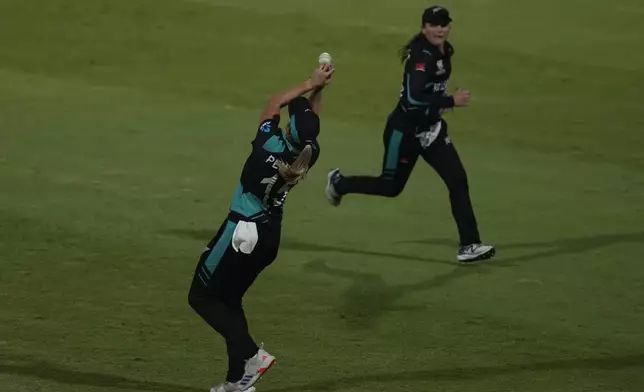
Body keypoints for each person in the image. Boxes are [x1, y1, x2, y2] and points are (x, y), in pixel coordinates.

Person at [188, 64, 334, 392]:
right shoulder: (309, 154)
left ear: (289, 127)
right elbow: (311, 125)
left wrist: (311, 82)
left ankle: (253, 356)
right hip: (269, 237)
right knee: (230, 299)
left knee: (201, 297)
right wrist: (319, 91)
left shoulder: (268, 144)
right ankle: (237, 382)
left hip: (240, 231)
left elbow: (274, 101)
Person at [324, 6, 495, 263]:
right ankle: (340, 184)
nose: (440, 29)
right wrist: (451, 100)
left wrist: (442, 104)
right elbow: (413, 98)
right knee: (391, 186)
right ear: (424, 27)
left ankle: (469, 245)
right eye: (435, 25)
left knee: (457, 180)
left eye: (444, 24)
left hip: (432, 131)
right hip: (403, 133)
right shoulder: (420, 57)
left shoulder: (444, 50)